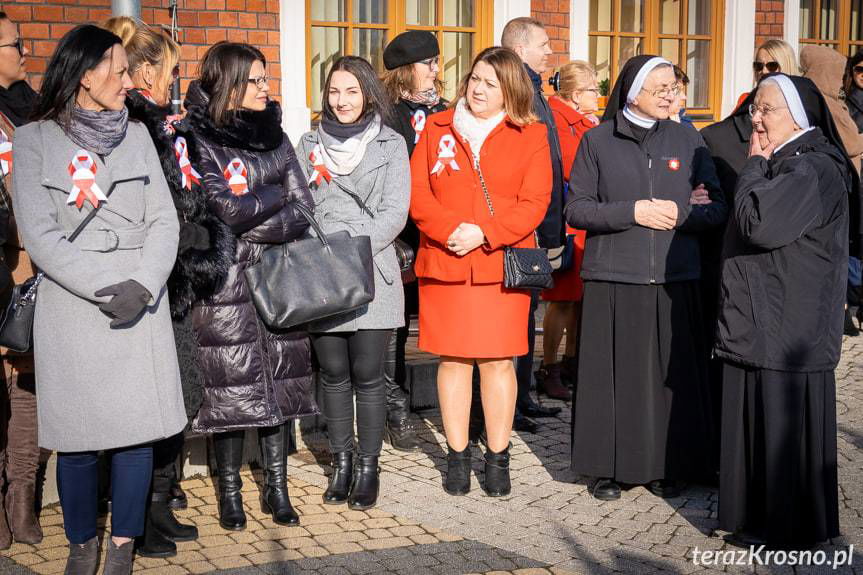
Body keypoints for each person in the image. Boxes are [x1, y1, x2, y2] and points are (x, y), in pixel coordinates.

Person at [13, 25, 187, 574]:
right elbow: (40, 235)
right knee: (78, 441)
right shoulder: (34, 140)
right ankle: (82, 543)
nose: (128, 79)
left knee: (136, 438)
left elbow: (165, 220)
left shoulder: (137, 135)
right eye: (117, 69)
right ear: (85, 76)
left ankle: (122, 547)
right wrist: (103, 287)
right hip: (74, 307)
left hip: (139, 302)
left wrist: (145, 283)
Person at [102, 16, 236, 557]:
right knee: (157, 399)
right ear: (146, 73)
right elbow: (157, 209)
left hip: (175, 280)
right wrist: (199, 233)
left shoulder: (162, 125)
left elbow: (189, 197)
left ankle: (157, 504)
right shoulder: (134, 126)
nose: (176, 81)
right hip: (153, 281)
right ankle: (137, 513)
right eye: (172, 71)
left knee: (178, 394)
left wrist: (206, 230)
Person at [567, 55, 727, 501]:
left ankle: (669, 465)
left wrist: (682, 213)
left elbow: (717, 208)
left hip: (675, 277)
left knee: (667, 382)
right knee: (612, 380)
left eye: (672, 89)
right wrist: (632, 211)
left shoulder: (688, 139)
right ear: (632, 91)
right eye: (660, 89)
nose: (670, 97)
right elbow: (577, 209)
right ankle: (606, 468)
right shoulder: (597, 141)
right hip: (614, 275)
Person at [185, 42, 317, 530]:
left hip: (276, 278)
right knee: (229, 390)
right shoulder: (198, 137)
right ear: (231, 82)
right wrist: (272, 197)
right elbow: (222, 208)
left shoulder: (275, 137)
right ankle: (230, 493)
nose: (266, 88)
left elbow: (304, 208)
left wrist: (253, 222)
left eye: (266, 78)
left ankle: (277, 489)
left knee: (279, 387)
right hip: (223, 285)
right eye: (256, 80)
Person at [715, 74, 850, 549]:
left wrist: (752, 165)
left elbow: (759, 224)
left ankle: (785, 529)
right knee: (761, 424)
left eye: (766, 109)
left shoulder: (810, 167)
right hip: (771, 317)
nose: (756, 119)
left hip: (786, 323)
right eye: (754, 108)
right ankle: (763, 521)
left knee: (780, 428)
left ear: (797, 117)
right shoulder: (792, 160)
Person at [410, 46, 551, 497]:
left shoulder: (530, 135)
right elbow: (418, 192)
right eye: (475, 79)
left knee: (497, 362)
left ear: (510, 90)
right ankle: (457, 457)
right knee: (452, 360)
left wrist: (485, 233)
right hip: (447, 260)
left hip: (499, 267)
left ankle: (497, 457)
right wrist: (451, 230)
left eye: (491, 83)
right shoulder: (437, 128)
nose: (479, 89)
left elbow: (535, 202)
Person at [296, 56, 409, 510]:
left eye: (351, 91)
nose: (341, 101)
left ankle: (368, 466)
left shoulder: (391, 144)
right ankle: (341, 461)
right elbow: (298, 205)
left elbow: (395, 212)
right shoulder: (307, 143)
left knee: (368, 375)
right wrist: (324, 246)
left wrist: (351, 246)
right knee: (334, 373)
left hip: (372, 269)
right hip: (323, 273)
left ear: (367, 94)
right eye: (334, 91)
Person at [379, 30, 447, 452]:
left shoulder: (446, 110)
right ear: (406, 70)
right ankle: (395, 408)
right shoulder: (386, 114)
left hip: (439, 232)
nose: (436, 70)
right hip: (400, 235)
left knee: (444, 320)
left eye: (437, 62)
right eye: (429, 63)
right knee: (397, 325)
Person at [501, 17, 565, 431]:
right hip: (523, 226)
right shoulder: (516, 88)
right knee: (514, 318)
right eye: (543, 44)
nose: (549, 51)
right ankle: (508, 405)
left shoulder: (535, 88)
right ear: (521, 49)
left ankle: (522, 397)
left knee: (527, 315)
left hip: (539, 225)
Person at [0, 10, 41, 550]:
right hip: (2, 263)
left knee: (30, 384)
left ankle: (22, 497)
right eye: (15, 44)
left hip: (35, 266)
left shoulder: (32, 109)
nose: (24, 52)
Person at [536, 61, 598, 398]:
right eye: (593, 89)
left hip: (582, 221)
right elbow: (577, 167)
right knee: (561, 301)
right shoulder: (561, 122)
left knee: (578, 299)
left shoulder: (580, 122)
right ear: (575, 95)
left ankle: (571, 362)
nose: (598, 95)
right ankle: (549, 367)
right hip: (567, 222)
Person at [801, 45, 863, 336]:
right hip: (838, 186)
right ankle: (841, 311)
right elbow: (851, 142)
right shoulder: (830, 103)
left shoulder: (812, 98)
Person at [735, 39, 799, 111]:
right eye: (759, 65)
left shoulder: (800, 104)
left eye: (772, 66)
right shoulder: (745, 100)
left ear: (787, 66)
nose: (764, 71)